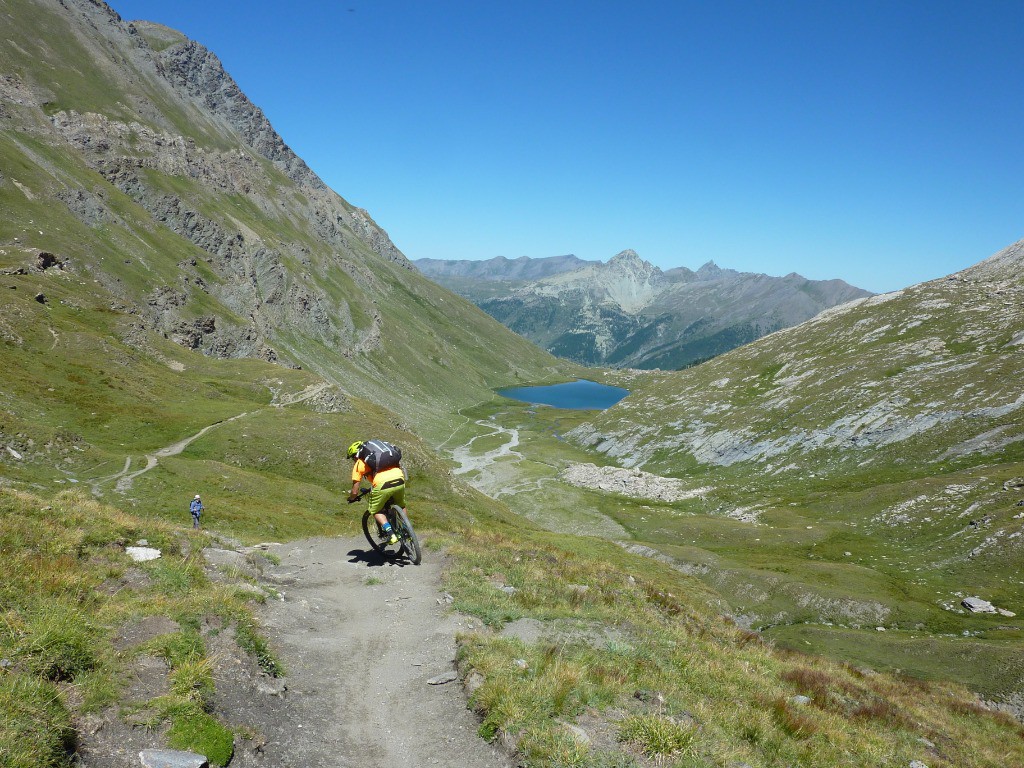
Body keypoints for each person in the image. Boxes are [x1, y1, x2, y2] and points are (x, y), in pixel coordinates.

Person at [346, 440, 406, 545]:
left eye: (352, 458)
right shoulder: (380, 456)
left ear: (355, 456)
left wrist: (352, 498)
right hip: (399, 478)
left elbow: (355, 490)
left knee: (375, 510)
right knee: (401, 505)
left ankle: (391, 534)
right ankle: (406, 530)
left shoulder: (360, 463)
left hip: (382, 483)